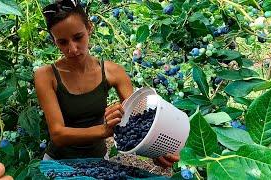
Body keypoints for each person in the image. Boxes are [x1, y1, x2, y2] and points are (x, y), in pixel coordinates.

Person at [34, 0, 179, 168]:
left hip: (99, 162)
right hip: (58, 164)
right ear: (54, 41)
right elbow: (58, 134)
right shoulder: (46, 76)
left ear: (89, 28)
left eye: (78, 37)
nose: (72, 49)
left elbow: (137, 119)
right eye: (63, 42)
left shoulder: (113, 72)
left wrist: (155, 150)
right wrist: (105, 130)